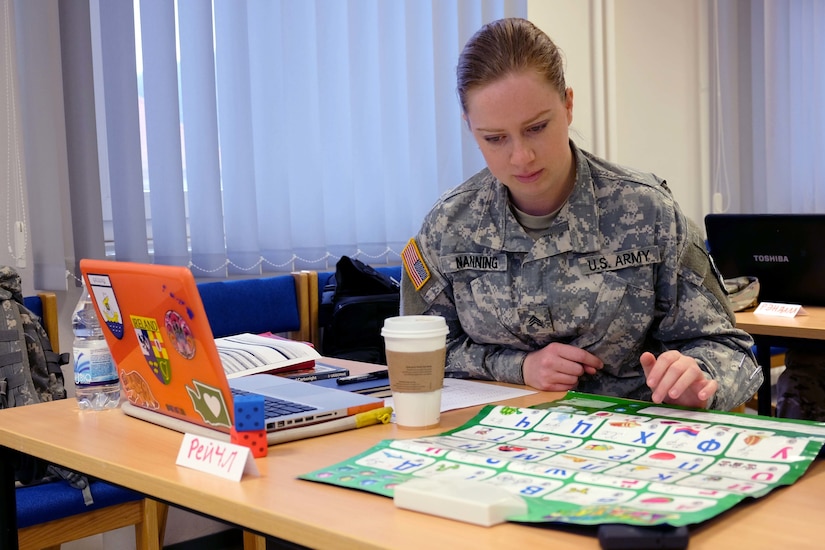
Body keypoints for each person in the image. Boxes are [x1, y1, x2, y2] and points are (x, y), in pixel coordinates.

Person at [399, 17, 762, 411]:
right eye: (495, 138)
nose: (521, 156)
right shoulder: (448, 227)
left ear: (568, 105)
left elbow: (730, 350)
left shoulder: (648, 213)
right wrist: (518, 367)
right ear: (469, 127)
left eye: (537, 127)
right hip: (495, 446)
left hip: (629, 444)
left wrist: (700, 381)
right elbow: (419, 357)